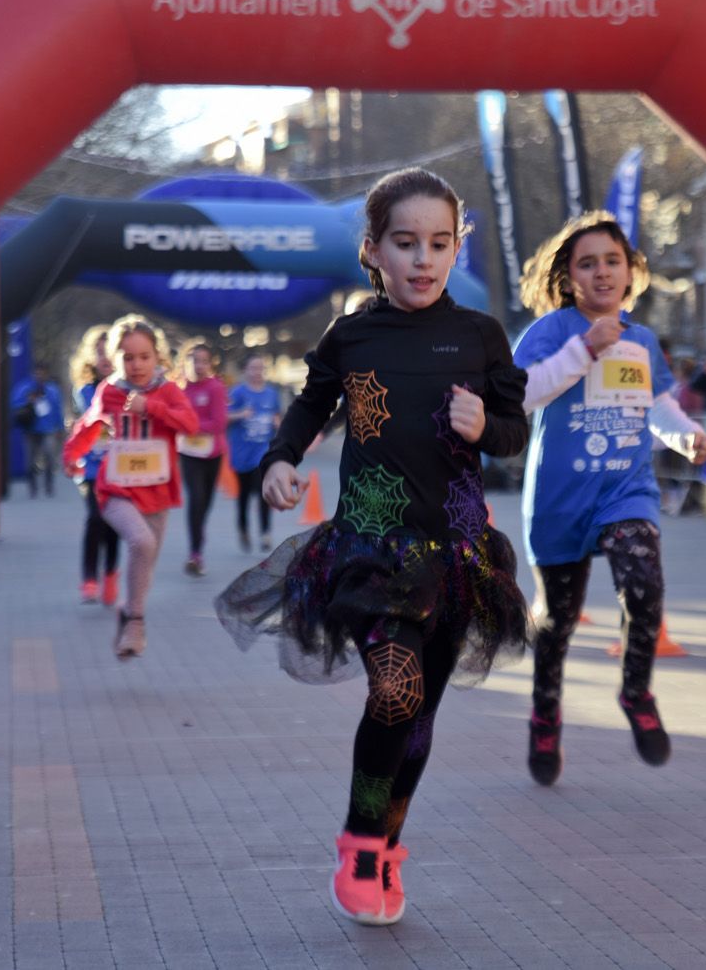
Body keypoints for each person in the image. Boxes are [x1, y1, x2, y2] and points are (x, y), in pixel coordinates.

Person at [213, 168, 529, 926]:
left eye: (439, 243)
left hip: (457, 555)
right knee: (395, 688)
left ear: (457, 250)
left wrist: (485, 428)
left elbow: (517, 431)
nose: (424, 259)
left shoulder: (480, 334)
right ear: (374, 250)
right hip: (370, 547)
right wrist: (280, 461)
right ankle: (358, 841)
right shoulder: (351, 335)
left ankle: (389, 840)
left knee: (419, 716)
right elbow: (309, 405)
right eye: (406, 242)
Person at [512, 212, 706, 785]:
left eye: (612, 261)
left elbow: (658, 408)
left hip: (625, 492)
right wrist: (583, 349)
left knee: (645, 584)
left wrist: (687, 438)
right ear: (568, 276)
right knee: (556, 621)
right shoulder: (550, 333)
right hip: (559, 497)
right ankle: (545, 712)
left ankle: (635, 692)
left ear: (631, 272)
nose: (602, 272)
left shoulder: (643, 340)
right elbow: (521, 398)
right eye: (587, 264)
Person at [61, 315, 199, 658]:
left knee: (145, 560)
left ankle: (129, 613)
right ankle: (135, 621)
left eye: (144, 356)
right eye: (127, 357)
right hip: (116, 488)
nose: (136, 364)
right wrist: (71, 455)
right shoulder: (109, 391)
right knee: (141, 541)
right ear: (113, 358)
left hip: (156, 491)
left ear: (157, 357)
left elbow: (191, 425)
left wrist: (150, 407)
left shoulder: (168, 391)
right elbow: (89, 424)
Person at [66, 325, 119, 605]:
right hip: (90, 470)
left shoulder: (127, 389)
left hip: (120, 469)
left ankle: (110, 573)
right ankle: (89, 577)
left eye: (109, 350)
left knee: (113, 525)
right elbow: (86, 420)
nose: (105, 357)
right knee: (95, 518)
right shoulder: (85, 391)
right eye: (99, 351)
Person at [177, 340, 228, 576]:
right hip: (188, 453)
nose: (199, 365)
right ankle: (195, 554)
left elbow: (218, 423)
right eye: (194, 360)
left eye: (204, 361)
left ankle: (198, 537)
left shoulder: (215, 388)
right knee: (196, 499)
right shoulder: (179, 389)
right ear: (186, 362)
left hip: (212, 453)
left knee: (205, 503)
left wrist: (191, 425)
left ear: (210, 364)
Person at [227, 353, 280, 552]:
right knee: (243, 495)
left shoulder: (271, 393)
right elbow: (224, 417)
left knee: (264, 492)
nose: (257, 372)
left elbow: (277, 417)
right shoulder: (238, 393)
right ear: (245, 371)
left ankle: (265, 533)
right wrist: (241, 414)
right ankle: (243, 528)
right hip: (242, 452)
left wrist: (278, 424)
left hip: (263, 452)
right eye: (253, 368)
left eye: (260, 368)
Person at [12, 362, 65, 497]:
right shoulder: (25, 388)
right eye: (37, 373)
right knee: (30, 460)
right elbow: (14, 403)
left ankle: (49, 485)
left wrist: (60, 428)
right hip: (31, 429)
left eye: (42, 373)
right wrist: (28, 400)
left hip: (48, 429)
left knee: (49, 456)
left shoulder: (52, 390)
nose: (39, 375)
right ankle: (33, 487)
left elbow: (58, 409)